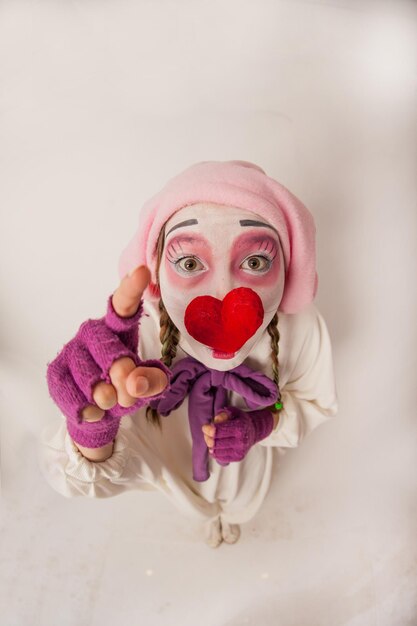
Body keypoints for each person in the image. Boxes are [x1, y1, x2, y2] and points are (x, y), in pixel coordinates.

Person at [40, 160, 338, 548]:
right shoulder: (137, 341)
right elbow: (84, 477)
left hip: (251, 473)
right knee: (192, 510)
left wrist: (262, 424)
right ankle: (206, 521)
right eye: (190, 262)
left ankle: (234, 518)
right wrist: (90, 429)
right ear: (157, 273)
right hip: (175, 469)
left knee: (244, 504)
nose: (222, 293)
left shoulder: (300, 329)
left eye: (255, 261)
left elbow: (312, 403)